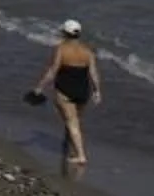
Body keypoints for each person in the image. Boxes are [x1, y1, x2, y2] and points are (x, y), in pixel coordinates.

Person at [31, 19, 101, 167]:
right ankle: (69, 139)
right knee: (75, 119)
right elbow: (93, 73)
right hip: (83, 90)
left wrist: (40, 87)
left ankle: (81, 155)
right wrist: (97, 91)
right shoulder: (88, 51)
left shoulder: (61, 49)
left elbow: (53, 70)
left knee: (71, 121)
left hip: (65, 89)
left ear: (64, 33)